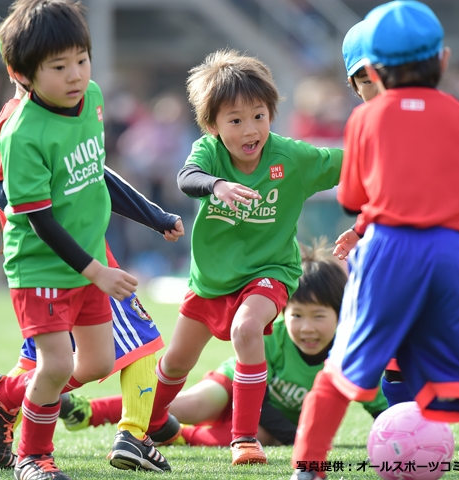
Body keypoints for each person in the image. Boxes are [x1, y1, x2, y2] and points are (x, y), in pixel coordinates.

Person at [291, 2, 459, 480]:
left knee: (344, 369)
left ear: (373, 70)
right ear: (443, 60)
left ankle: (307, 468)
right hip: (456, 256)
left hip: (389, 249)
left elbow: (354, 200)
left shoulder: (364, 122)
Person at [0, 24, 183, 471]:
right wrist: (97, 271)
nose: (76, 75)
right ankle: (35, 457)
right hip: (43, 266)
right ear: (21, 73)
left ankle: (0, 395)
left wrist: (153, 216)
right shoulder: (20, 130)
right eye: (59, 67)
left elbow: (93, 174)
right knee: (59, 364)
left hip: (89, 259)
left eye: (82, 60)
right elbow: (36, 216)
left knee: (98, 360)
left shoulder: (92, 100)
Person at [144, 48, 342, 466]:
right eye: (235, 120)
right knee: (177, 360)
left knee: (247, 329)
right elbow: (187, 178)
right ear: (213, 125)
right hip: (212, 279)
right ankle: (152, 421)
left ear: (271, 113)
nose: (250, 129)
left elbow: (351, 161)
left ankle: (244, 439)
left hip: (271, 271)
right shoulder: (209, 154)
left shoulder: (291, 158)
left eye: (259, 116)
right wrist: (217, 186)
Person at [60, 240, 388, 447]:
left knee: (264, 437)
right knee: (191, 406)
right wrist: (291, 434)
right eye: (297, 315)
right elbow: (257, 396)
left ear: (342, 314)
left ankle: (180, 436)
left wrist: (395, 428)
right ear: (283, 312)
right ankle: (88, 411)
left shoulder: (349, 357)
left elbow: (378, 404)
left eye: (319, 317)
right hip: (236, 387)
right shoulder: (274, 341)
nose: (306, 328)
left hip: (266, 423)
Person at [337, 18, 459, 408]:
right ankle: (411, 435)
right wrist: (362, 229)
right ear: (355, 86)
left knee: (447, 356)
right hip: (402, 255)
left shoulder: (454, 118)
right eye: (365, 81)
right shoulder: (371, 124)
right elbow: (390, 199)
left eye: (386, 75)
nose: (380, 88)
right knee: (396, 371)